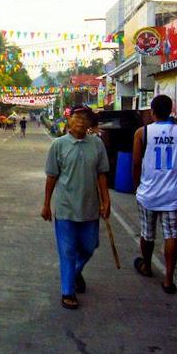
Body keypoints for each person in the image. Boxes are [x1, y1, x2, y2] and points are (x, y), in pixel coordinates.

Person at [41, 105, 111, 310]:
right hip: (65, 208)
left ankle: (75, 271)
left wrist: (106, 201)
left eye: (85, 118)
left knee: (89, 247)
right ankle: (67, 291)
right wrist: (46, 204)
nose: (81, 121)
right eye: (77, 117)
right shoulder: (59, 145)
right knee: (68, 251)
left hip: (90, 208)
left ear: (90, 123)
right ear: (69, 120)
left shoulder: (97, 144)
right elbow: (51, 177)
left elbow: (101, 174)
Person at [132, 94, 177, 294]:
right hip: (172, 194)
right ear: (171, 111)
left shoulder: (142, 132)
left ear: (152, 112)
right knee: (171, 235)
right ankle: (169, 281)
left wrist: (137, 186)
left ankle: (146, 265)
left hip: (148, 194)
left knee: (147, 233)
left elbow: (136, 163)